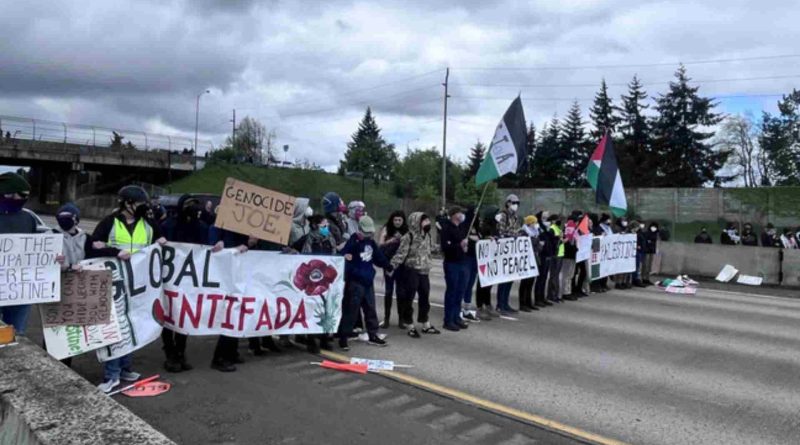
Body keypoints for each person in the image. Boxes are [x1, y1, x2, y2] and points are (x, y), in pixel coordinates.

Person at [89, 185, 166, 393]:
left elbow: (161, 242)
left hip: (139, 287)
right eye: (140, 204)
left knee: (133, 326)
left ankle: (125, 368)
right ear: (127, 204)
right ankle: (111, 375)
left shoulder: (149, 224)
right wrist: (115, 252)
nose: (144, 208)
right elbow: (94, 246)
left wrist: (163, 243)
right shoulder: (109, 223)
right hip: (114, 284)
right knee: (116, 328)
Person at [0, 173, 64, 335]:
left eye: (27, 196)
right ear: (6, 193)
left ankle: (8, 359)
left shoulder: (28, 218)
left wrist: (53, 257)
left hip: (20, 290)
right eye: (21, 195)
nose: (25, 199)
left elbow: (36, 250)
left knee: (13, 334)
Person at [160, 195, 209, 373]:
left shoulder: (201, 227)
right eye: (189, 206)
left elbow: (207, 247)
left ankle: (180, 351)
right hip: (170, 279)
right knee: (169, 314)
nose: (194, 209)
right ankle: (170, 352)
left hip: (189, 280)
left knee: (184, 315)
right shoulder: (168, 225)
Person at [338, 216, 391, 349]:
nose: (368, 235)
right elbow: (344, 257)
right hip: (355, 281)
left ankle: (373, 334)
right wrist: (350, 271)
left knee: (370, 308)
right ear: (359, 229)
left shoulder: (371, 243)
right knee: (351, 310)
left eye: (370, 232)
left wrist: (387, 265)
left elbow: (378, 257)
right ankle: (343, 336)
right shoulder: (353, 241)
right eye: (365, 232)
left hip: (368, 281)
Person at [391, 212, 440, 337]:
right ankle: (409, 324)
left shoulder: (427, 235)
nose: (427, 223)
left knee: (425, 297)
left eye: (427, 220)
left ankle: (425, 323)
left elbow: (431, 249)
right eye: (424, 221)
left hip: (424, 271)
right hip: (411, 270)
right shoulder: (408, 237)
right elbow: (401, 253)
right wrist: (392, 266)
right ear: (416, 222)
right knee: (409, 298)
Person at [300, 214, 336, 353]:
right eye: (323, 226)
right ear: (315, 226)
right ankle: (311, 339)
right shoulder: (308, 239)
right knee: (312, 308)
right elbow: (303, 255)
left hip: (326, 278)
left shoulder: (330, 239)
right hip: (312, 278)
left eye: (327, 226)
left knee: (326, 307)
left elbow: (334, 254)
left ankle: (324, 337)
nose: (326, 228)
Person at [440, 206, 470, 332]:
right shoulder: (446, 228)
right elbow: (445, 247)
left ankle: (456, 316)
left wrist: (465, 247)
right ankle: (448, 320)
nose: (462, 215)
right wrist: (459, 245)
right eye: (459, 213)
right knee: (452, 292)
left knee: (460, 291)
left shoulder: (461, 228)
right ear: (453, 215)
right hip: (452, 263)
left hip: (462, 262)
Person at [378, 211, 407, 328]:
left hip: (401, 265)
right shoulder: (387, 228)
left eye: (400, 220)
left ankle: (401, 319)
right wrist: (390, 240)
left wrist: (402, 239)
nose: (397, 222)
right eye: (395, 220)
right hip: (389, 264)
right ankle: (386, 319)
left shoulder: (406, 230)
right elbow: (380, 244)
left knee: (401, 292)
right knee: (388, 291)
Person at [495, 194, 521, 314]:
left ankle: (505, 303)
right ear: (508, 203)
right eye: (513, 202)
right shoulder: (503, 215)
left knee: (510, 279)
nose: (516, 205)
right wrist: (511, 235)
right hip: (504, 250)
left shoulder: (515, 216)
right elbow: (501, 231)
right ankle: (500, 304)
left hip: (512, 251)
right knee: (503, 279)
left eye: (517, 203)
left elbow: (516, 229)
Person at [475, 208, 500, 319]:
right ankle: (480, 306)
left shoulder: (495, 226)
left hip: (492, 259)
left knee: (489, 284)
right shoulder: (484, 227)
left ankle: (488, 304)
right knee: (482, 284)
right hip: (484, 260)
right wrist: (486, 238)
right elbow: (481, 240)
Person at [461, 208, 483, 321]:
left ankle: (466, 309)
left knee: (470, 285)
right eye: (475, 216)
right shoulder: (465, 228)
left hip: (476, 259)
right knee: (464, 284)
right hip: (466, 259)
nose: (477, 218)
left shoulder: (478, 229)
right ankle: (458, 309)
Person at [518, 215, 540, 312]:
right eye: (534, 222)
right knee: (525, 282)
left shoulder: (535, 233)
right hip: (526, 259)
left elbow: (538, 245)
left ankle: (528, 302)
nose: (535, 224)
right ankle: (522, 303)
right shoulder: (523, 232)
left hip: (533, 257)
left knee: (531, 281)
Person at [534, 211, 556, 307]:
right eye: (545, 217)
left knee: (544, 277)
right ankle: (537, 298)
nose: (547, 219)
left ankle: (542, 297)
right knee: (540, 277)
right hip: (541, 254)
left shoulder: (547, 228)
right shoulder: (538, 227)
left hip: (548, 254)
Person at [546, 215, 565, 303]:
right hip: (555, 254)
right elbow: (553, 241)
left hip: (560, 253)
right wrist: (560, 239)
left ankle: (555, 294)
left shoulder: (558, 228)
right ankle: (552, 295)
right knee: (554, 275)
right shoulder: (552, 228)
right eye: (557, 220)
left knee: (556, 275)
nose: (559, 221)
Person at [561, 216, 579, 298]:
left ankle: (568, 291)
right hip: (567, 256)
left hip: (572, 256)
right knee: (567, 275)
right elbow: (565, 242)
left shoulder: (575, 233)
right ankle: (565, 292)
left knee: (570, 275)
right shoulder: (567, 233)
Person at [640, 221, 660, 285]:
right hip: (646, 251)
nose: (654, 228)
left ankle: (647, 278)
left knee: (649, 266)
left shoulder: (655, 234)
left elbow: (653, 243)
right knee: (645, 265)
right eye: (653, 227)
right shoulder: (646, 233)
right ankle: (643, 278)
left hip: (651, 251)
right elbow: (646, 241)